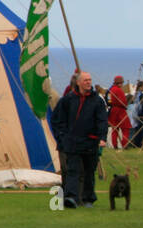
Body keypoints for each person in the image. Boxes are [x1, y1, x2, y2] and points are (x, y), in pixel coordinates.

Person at [50, 71, 107, 208]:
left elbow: (102, 121)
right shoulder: (68, 100)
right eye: (85, 80)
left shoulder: (97, 101)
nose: (88, 82)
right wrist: (62, 137)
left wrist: (102, 138)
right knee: (72, 171)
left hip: (90, 141)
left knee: (89, 172)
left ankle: (88, 199)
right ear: (78, 82)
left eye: (90, 80)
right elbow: (57, 120)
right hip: (72, 142)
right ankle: (71, 198)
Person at [107, 75, 130, 148]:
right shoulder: (119, 90)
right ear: (120, 83)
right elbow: (123, 102)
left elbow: (108, 101)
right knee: (126, 128)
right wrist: (126, 105)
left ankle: (115, 145)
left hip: (113, 110)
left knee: (115, 129)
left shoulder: (110, 90)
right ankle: (124, 144)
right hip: (120, 111)